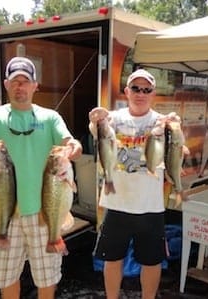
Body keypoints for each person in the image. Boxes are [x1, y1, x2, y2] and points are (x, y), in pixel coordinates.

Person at [0, 56, 82, 299]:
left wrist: (73, 148)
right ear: (7, 84)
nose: (20, 86)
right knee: (8, 278)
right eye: (15, 81)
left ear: (34, 86)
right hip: (6, 215)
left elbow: (71, 143)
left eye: (25, 81)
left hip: (44, 212)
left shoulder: (50, 117)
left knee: (47, 278)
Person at [89, 69, 170, 299]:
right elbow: (95, 129)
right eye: (136, 88)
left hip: (151, 206)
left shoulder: (161, 122)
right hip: (117, 203)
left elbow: (177, 146)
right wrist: (95, 118)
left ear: (154, 94)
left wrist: (175, 126)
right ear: (126, 91)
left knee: (152, 261)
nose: (141, 93)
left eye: (147, 89)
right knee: (112, 259)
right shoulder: (112, 118)